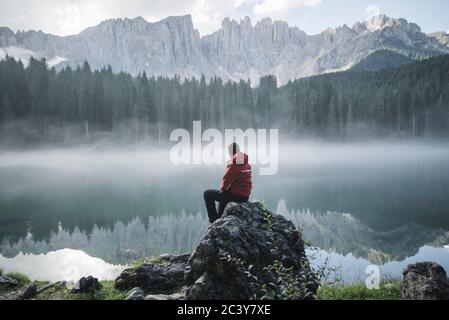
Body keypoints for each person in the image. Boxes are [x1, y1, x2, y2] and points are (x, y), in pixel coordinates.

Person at [204, 142, 252, 223]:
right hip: (244, 196)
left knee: (207, 194)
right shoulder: (246, 162)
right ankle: (219, 218)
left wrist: (222, 189)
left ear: (230, 151)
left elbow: (227, 178)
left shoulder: (235, 162)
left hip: (237, 196)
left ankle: (213, 220)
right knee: (224, 194)